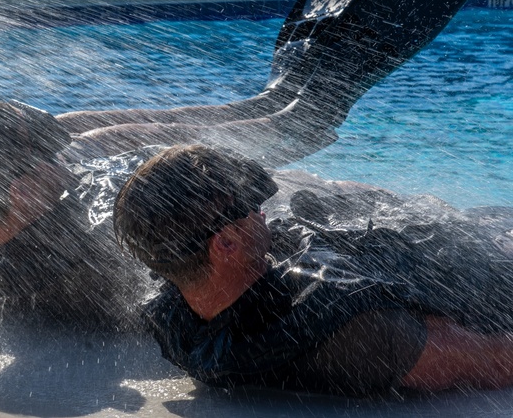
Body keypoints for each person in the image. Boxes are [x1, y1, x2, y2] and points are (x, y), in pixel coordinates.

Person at [0, 0, 474, 327]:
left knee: (84, 132)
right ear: (24, 192)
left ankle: (268, 99)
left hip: (75, 204)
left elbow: (38, 175)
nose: (59, 155)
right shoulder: (86, 262)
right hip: (166, 212)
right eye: (46, 159)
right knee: (289, 129)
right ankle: (299, 109)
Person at [114, 144, 513, 396]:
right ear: (226, 245)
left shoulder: (177, 314)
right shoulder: (358, 332)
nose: (262, 211)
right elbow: (497, 360)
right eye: (250, 204)